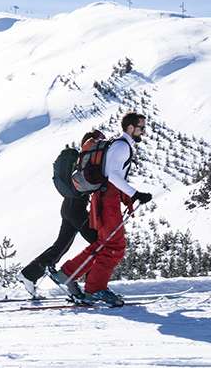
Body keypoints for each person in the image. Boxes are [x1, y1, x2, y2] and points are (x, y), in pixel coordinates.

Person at [56, 113, 154, 307]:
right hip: (107, 201)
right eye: (141, 127)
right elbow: (113, 177)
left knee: (105, 243)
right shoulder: (121, 147)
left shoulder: (120, 145)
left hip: (106, 199)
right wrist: (135, 194)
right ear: (130, 128)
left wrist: (129, 196)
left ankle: (69, 273)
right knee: (114, 246)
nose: (144, 131)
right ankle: (95, 288)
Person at [18, 130, 104, 300]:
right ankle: (87, 285)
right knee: (99, 244)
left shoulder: (80, 160)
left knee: (61, 246)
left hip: (68, 206)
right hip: (76, 208)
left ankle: (29, 274)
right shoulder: (86, 161)